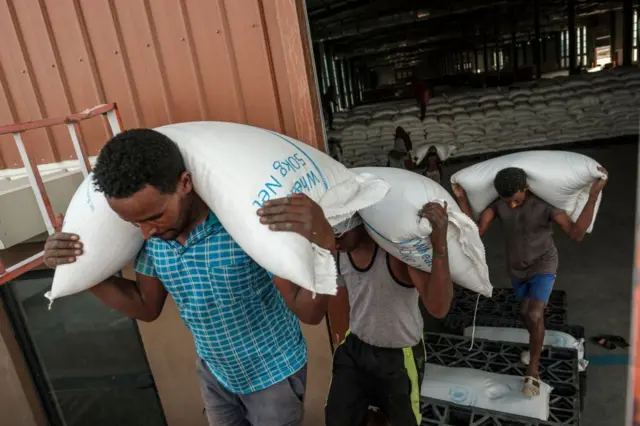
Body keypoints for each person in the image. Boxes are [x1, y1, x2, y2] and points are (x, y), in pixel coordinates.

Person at [43, 129, 335, 426]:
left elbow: (310, 312)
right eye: (134, 223)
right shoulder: (154, 238)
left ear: (184, 183)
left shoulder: (242, 226)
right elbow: (146, 306)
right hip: (215, 375)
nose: (146, 232)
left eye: (155, 216)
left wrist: (324, 239)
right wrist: (77, 268)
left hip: (273, 374)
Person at [452, 166, 608, 398]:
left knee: (534, 313)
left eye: (515, 200)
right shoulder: (498, 205)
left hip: (544, 262)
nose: (512, 205)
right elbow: (476, 231)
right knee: (526, 314)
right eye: (508, 201)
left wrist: (593, 195)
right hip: (517, 268)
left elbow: (576, 233)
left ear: (526, 188)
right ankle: (538, 342)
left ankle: (532, 371)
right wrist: (462, 198)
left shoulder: (546, 204)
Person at [325, 204, 454, 426]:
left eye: (338, 233)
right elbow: (341, 299)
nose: (334, 242)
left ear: (357, 223)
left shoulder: (396, 253)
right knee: (338, 418)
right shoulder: (340, 253)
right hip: (355, 349)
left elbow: (439, 307)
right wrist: (339, 338)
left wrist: (439, 245)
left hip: (397, 357)